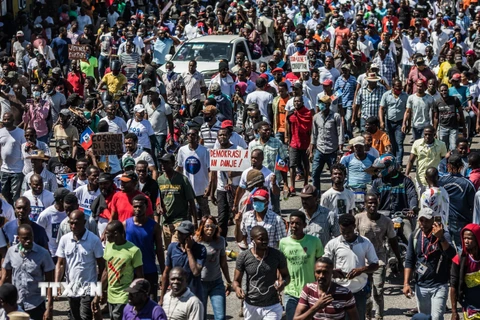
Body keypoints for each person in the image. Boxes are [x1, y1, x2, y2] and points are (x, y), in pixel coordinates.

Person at [323, 214, 379, 320]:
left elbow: (375, 264)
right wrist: (332, 272)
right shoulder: (333, 244)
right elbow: (324, 264)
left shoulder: (365, 242)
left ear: (354, 226)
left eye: (348, 232)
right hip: (338, 291)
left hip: (359, 291)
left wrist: (361, 270)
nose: (346, 235)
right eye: (343, 232)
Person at [356, 193, 403, 320]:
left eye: (374, 203)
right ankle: (367, 313)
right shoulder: (358, 218)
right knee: (365, 293)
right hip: (363, 260)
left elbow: (393, 240)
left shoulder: (386, 221)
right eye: (369, 203)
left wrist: (399, 259)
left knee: (378, 290)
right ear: (364, 204)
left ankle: (379, 315)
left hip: (379, 259)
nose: (372, 205)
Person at [403, 208, 456, 320]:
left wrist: (440, 237)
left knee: (436, 317)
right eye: (421, 220)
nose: (424, 224)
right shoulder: (415, 236)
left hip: (439, 285)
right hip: (421, 285)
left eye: (427, 220)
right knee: (425, 317)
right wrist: (406, 283)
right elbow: (409, 260)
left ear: (433, 221)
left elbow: (452, 255)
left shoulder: (443, 235)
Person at [55, 210, 105, 320]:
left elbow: (102, 266)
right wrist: (57, 283)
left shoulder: (94, 240)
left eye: (76, 223)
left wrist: (100, 288)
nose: (73, 226)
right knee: (74, 316)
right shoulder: (65, 240)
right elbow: (60, 263)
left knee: (85, 316)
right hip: (71, 287)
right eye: (71, 223)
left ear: (84, 222)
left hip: (88, 287)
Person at [233, 226, 290, 320]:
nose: (264, 241)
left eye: (266, 238)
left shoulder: (277, 255)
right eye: (261, 239)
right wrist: (237, 288)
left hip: (272, 305)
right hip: (251, 305)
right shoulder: (244, 256)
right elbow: (236, 280)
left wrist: (283, 283)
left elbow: (286, 276)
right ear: (252, 240)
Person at [0, 224, 54, 320]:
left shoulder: (43, 253)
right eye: (25, 238)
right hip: (16, 304)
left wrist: (49, 307)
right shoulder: (11, 252)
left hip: (36, 304)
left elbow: (50, 281)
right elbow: (6, 277)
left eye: (31, 237)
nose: (29, 241)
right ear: (18, 238)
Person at [279, 211, 324, 320]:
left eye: (298, 223)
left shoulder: (314, 241)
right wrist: (280, 284)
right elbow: (281, 267)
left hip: (311, 291)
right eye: (292, 223)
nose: (294, 226)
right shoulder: (283, 242)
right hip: (291, 292)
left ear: (304, 225)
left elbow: (321, 265)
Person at [100, 220, 144, 320]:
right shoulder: (109, 246)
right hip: (111, 295)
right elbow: (106, 271)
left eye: (107, 234)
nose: (105, 236)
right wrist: (101, 290)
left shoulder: (133, 250)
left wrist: (135, 296)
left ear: (116, 234)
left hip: (124, 295)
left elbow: (140, 276)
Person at [124, 194, 165, 300]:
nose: (137, 209)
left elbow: (159, 250)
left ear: (146, 207)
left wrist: (164, 271)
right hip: (129, 272)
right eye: (135, 206)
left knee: (150, 302)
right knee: (131, 303)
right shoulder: (125, 225)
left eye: (140, 206)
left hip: (149, 270)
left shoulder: (154, 226)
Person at [293, 257, 359, 320]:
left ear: (332, 273)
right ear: (314, 273)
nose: (321, 276)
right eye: (318, 272)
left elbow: (354, 318)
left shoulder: (345, 293)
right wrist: (316, 307)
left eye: (325, 272)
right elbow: (296, 319)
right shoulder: (308, 289)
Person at [195, 215, 233, 320]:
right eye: (207, 226)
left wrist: (229, 282)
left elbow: (223, 263)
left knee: (220, 317)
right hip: (200, 283)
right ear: (202, 226)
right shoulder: (195, 242)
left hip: (216, 283)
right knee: (200, 316)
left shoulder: (220, 241)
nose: (210, 228)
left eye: (213, 226)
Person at [160, 220, 206, 305]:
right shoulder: (172, 247)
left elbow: (196, 272)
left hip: (194, 296)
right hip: (176, 295)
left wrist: (188, 250)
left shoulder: (200, 249)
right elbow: (166, 272)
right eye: (178, 232)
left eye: (183, 233)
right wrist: (162, 298)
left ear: (190, 236)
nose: (179, 235)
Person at [157, 153, 197, 246]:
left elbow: (191, 201)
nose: (163, 165)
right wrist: (159, 206)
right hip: (166, 221)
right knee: (169, 250)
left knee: (176, 245)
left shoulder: (182, 179)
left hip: (180, 219)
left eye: (166, 163)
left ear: (173, 163)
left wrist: (195, 222)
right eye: (162, 163)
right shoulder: (159, 180)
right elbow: (158, 199)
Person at [439, 154, 477, 251]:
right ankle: (460, 266)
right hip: (462, 221)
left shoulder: (441, 181)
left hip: (444, 220)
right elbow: (473, 206)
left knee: (445, 248)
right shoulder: (467, 184)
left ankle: (450, 265)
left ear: (448, 166)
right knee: (462, 249)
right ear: (462, 166)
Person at [309, 95, 343, 192]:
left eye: (323, 104)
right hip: (319, 149)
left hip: (332, 149)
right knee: (315, 173)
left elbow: (340, 133)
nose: (320, 105)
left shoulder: (336, 116)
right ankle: (316, 195)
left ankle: (334, 193)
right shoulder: (316, 117)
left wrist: (340, 150)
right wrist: (311, 151)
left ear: (328, 105)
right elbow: (314, 134)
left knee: (334, 174)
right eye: (320, 103)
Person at [176, 128, 211, 219]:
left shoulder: (205, 151)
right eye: (189, 134)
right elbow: (179, 168)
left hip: (202, 186)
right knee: (187, 213)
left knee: (205, 213)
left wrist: (209, 185)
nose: (191, 136)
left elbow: (209, 169)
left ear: (197, 137)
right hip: (187, 187)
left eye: (193, 134)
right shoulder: (182, 150)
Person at [450, 223, 480, 320]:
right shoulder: (459, 259)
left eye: (470, 238)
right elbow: (453, 285)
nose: (466, 241)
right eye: (464, 238)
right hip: (471, 309)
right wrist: (454, 312)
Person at [406, 125, 448, 189]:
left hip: (435, 180)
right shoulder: (417, 143)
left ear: (434, 134)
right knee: (422, 198)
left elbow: (444, 162)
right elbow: (411, 161)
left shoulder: (441, 145)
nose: (427, 136)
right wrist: (407, 174)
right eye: (425, 134)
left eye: (430, 135)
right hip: (421, 179)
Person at [379, 79, 408, 164]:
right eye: (397, 88)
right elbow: (381, 108)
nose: (399, 90)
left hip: (400, 122)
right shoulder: (386, 95)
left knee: (399, 143)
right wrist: (381, 121)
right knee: (391, 143)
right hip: (389, 122)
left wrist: (407, 123)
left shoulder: (405, 96)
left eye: (400, 88)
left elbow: (408, 111)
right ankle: (393, 161)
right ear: (393, 87)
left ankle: (399, 163)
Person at [286, 96, 312, 190]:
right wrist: (288, 140)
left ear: (302, 102)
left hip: (305, 143)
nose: (297, 103)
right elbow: (288, 128)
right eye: (295, 101)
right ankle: (292, 185)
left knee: (305, 164)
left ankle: (305, 183)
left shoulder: (307, 113)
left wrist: (310, 145)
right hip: (293, 142)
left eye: (299, 101)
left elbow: (310, 131)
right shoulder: (291, 114)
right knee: (292, 165)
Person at [36, 188, 69, 259]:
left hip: (67, 252)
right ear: (61, 201)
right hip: (52, 254)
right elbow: (38, 233)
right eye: (68, 199)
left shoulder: (70, 212)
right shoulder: (46, 215)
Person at [0, 112, 26, 203]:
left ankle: (16, 213)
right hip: (4, 169)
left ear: (13, 121)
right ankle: (10, 210)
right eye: (4, 119)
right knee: (4, 192)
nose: (6, 121)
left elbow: (24, 150)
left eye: (8, 119)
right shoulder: (1, 132)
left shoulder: (21, 133)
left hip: (17, 170)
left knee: (16, 195)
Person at [435, 83, 466, 151]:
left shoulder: (455, 99)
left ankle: (452, 161)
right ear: (439, 91)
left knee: (453, 147)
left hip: (454, 128)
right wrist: (435, 130)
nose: (444, 92)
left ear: (448, 91)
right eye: (442, 91)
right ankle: (444, 161)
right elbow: (436, 117)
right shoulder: (437, 102)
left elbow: (461, 113)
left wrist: (464, 127)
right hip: (443, 128)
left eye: (445, 90)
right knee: (443, 147)